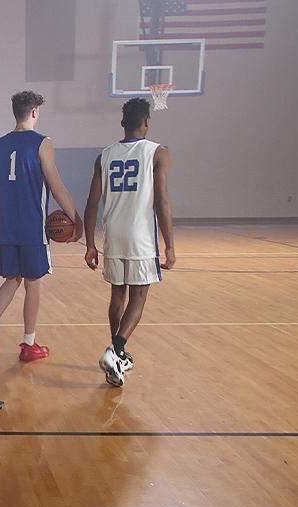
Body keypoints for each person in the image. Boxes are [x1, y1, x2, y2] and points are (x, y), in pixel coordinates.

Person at [0, 91, 82, 362]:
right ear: (34, 112)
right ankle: (28, 344)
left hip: (5, 227)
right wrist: (75, 217)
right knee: (33, 284)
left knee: (12, 278)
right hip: (32, 228)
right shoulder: (42, 143)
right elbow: (56, 187)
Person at [82, 98, 175, 387]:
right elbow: (161, 200)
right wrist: (170, 244)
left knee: (117, 296)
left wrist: (89, 244)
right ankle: (116, 349)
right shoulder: (158, 153)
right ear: (146, 122)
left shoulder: (105, 155)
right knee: (139, 297)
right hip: (140, 238)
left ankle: (117, 357)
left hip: (114, 235)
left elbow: (92, 203)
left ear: (124, 123)